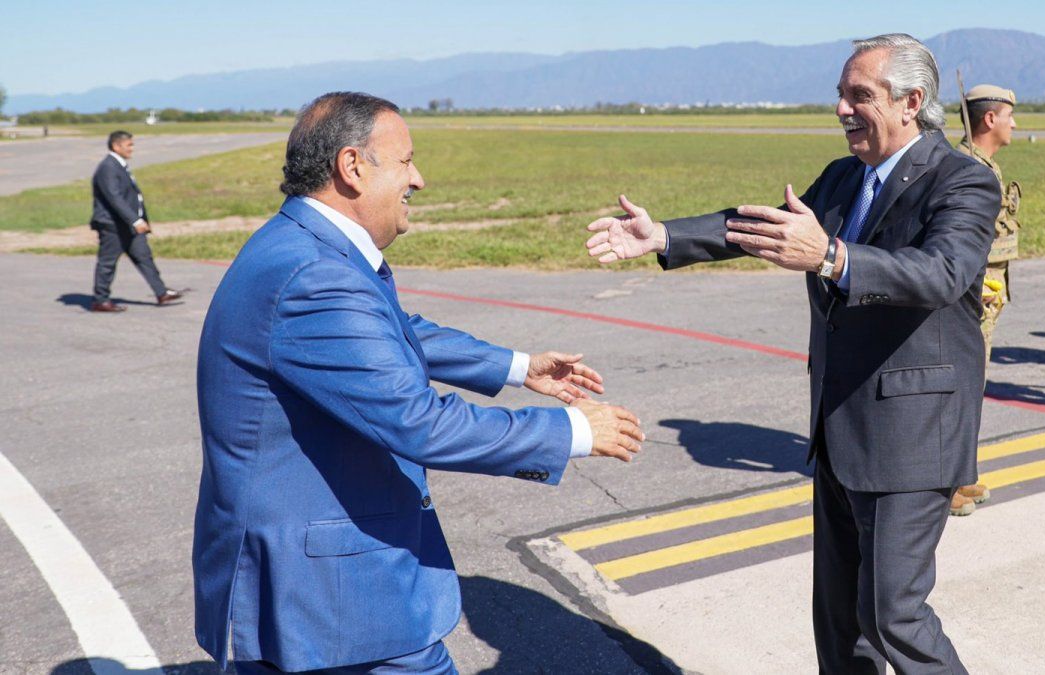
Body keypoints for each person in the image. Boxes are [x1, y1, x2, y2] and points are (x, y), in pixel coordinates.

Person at [193, 92, 645, 674]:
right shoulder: (315, 276)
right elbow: (419, 423)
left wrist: (516, 366)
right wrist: (572, 430)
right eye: (406, 161)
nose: (419, 179)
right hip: (332, 601)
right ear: (352, 167)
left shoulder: (301, 245)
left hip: (314, 592)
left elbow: (391, 332)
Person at [587, 33, 995, 674]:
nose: (841, 109)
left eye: (859, 95)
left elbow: (944, 272)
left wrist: (832, 257)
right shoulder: (844, 176)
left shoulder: (963, 180)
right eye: (840, 94)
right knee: (837, 623)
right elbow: (765, 228)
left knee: (894, 615)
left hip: (913, 438)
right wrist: (667, 235)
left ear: (912, 101)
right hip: (839, 431)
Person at [950, 84, 1020, 517]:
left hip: (986, 295)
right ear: (990, 119)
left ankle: (960, 472)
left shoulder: (985, 167)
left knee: (971, 387)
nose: (1015, 124)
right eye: (1010, 115)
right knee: (958, 388)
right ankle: (945, 483)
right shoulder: (965, 168)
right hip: (969, 296)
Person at [89, 130, 184, 311]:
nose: (132, 149)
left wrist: (141, 220)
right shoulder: (108, 167)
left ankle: (161, 292)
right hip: (113, 226)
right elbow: (114, 198)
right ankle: (101, 300)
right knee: (107, 263)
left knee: (144, 257)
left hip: (128, 226)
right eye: (129, 145)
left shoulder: (120, 165)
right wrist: (135, 220)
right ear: (116, 146)